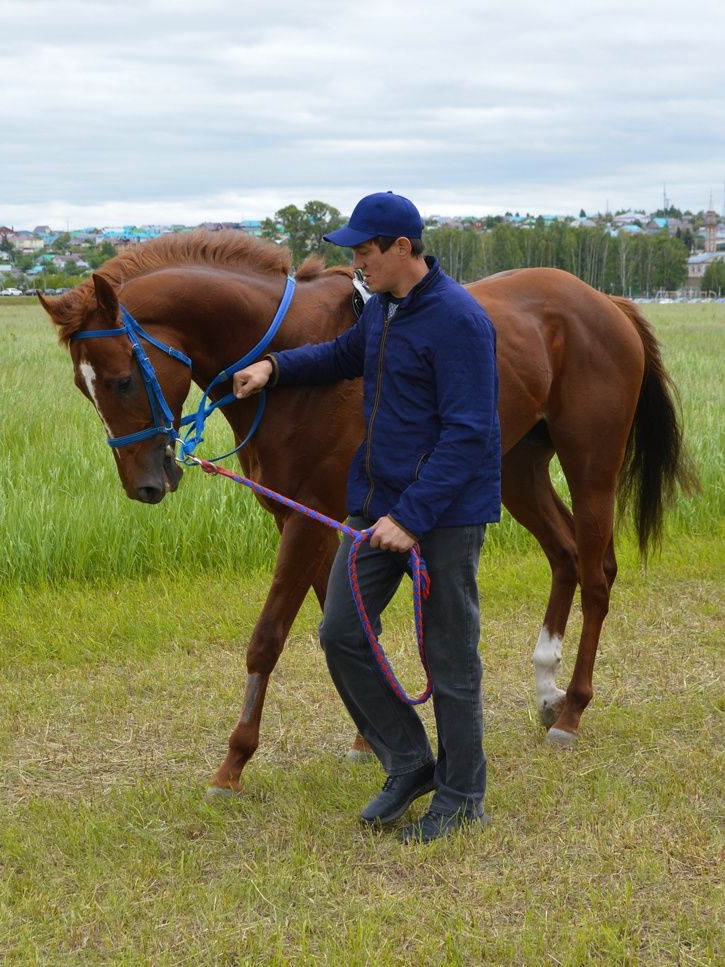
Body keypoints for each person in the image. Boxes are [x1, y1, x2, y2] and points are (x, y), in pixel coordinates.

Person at [233, 191, 501, 844]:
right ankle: (409, 761)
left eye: (365, 251)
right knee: (342, 633)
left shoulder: (459, 320)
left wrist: (411, 518)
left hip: (443, 514)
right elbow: (343, 356)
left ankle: (463, 796)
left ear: (402, 248)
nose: (356, 263)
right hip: (377, 506)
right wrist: (273, 367)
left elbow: (469, 432)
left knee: (450, 656)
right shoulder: (383, 309)